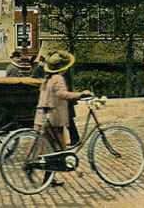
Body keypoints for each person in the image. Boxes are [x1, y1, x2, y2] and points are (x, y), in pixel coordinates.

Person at [33, 50, 91, 186]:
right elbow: (62, 94)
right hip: (54, 119)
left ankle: (49, 179)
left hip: (44, 116)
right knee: (58, 150)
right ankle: (70, 170)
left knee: (53, 150)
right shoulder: (58, 78)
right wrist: (81, 94)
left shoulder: (47, 79)